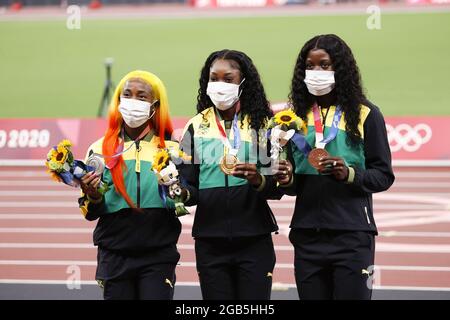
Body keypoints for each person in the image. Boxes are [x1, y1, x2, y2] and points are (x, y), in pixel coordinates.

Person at [277, 34, 395, 300]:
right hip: (306, 234)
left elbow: (383, 175)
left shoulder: (366, 114)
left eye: (324, 65)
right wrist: (285, 179)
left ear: (339, 69)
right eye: (310, 66)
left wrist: (349, 174)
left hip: (352, 236)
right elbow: (294, 186)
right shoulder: (293, 118)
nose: (316, 72)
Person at [178, 49, 283, 300]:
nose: (219, 85)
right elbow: (189, 187)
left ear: (243, 82)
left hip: (254, 238)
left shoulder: (262, 124)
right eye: (214, 78)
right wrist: (181, 192)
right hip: (210, 240)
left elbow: (277, 189)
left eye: (228, 79)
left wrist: (259, 179)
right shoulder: (194, 126)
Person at [78, 70, 182, 300]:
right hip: (114, 254)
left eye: (142, 97)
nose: (133, 101)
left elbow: (181, 204)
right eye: (127, 94)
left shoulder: (172, 150)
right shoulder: (98, 150)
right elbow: (89, 211)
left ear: (155, 105)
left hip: (158, 254)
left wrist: (176, 191)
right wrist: (93, 196)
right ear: (118, 101)